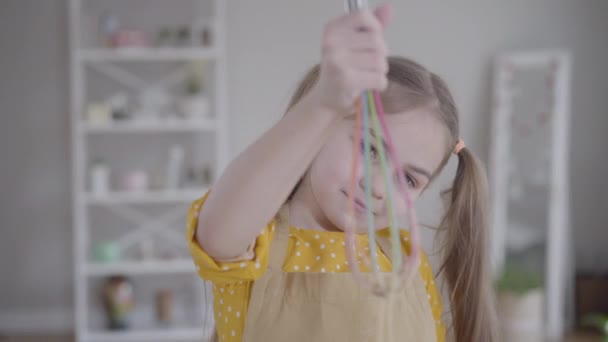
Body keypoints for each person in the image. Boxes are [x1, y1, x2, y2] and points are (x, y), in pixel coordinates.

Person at [187, 4, 497, 341]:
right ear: (321, 125)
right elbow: (216, 234)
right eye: (369, 148)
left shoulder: (408, 263)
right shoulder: (254, 239)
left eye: (408, 179)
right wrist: (324, 101)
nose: (378, 187)